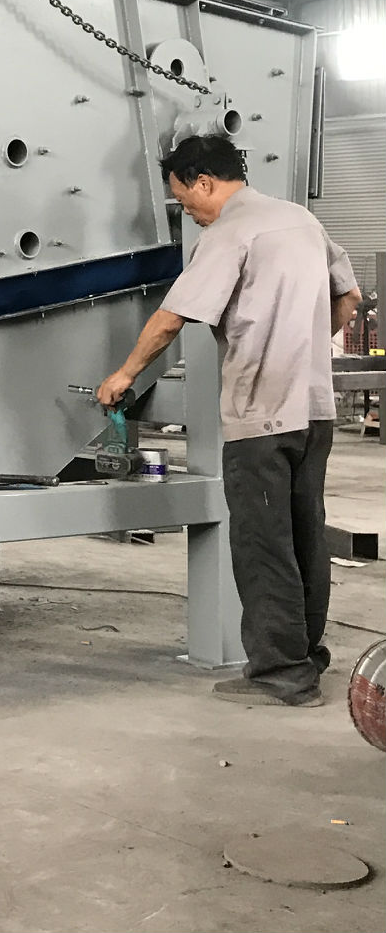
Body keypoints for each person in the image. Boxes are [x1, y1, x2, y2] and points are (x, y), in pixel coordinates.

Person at [96, 133, 361, 707]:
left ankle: (281, 675)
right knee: (305, 536)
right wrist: (301, 345)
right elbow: (350, 298)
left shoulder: (230, 232)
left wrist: (124, 374)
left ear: (204, 182)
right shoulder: (302, 221)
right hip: (315, 412)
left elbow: (173, 318)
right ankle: (305, 657)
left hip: (261, 417)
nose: (188, 214)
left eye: (185, 201)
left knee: (263, 545)